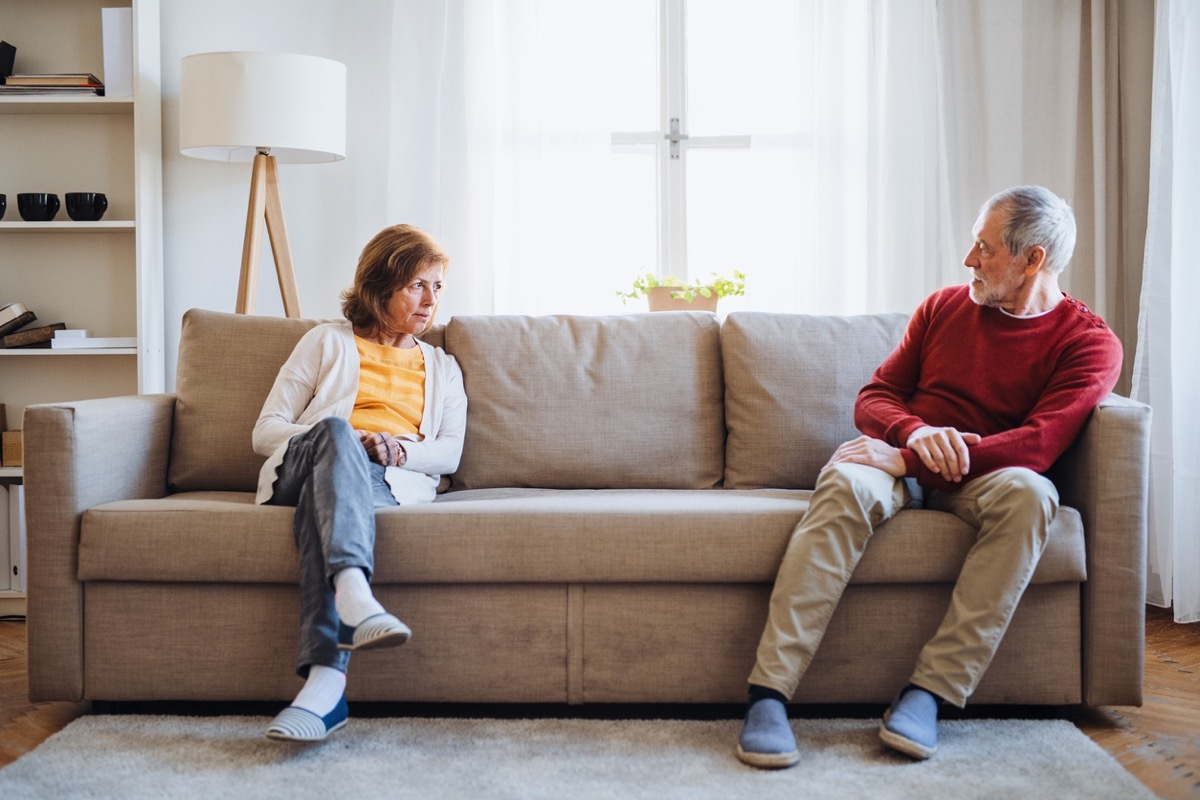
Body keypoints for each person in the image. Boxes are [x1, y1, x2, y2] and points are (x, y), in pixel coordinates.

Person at [736, 185, 1122, 768]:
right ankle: (768, 695)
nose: (969, 259)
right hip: (904, 462)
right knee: (845, 480)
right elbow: (875, 396)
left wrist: (908, 460)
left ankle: (930, 693)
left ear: (1032, 259)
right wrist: (913, 437)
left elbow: (1039, 443)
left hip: (986, 476)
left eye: (984, 248)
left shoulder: (1090, 344)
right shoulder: (943, 306)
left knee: (1032, 495)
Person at [252, 224, 467, 742]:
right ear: (380, 285)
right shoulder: (326, 341)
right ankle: (354, 597)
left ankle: (325, 686)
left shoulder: (443, 367)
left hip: (383, 480)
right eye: (417, 284)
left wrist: (400, 449)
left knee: (325, 506)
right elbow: (265, 430)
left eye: (437, 287)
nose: (430, 300)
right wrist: (344, 436)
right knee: (335, 435)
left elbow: (450, 451)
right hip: (306, 459)